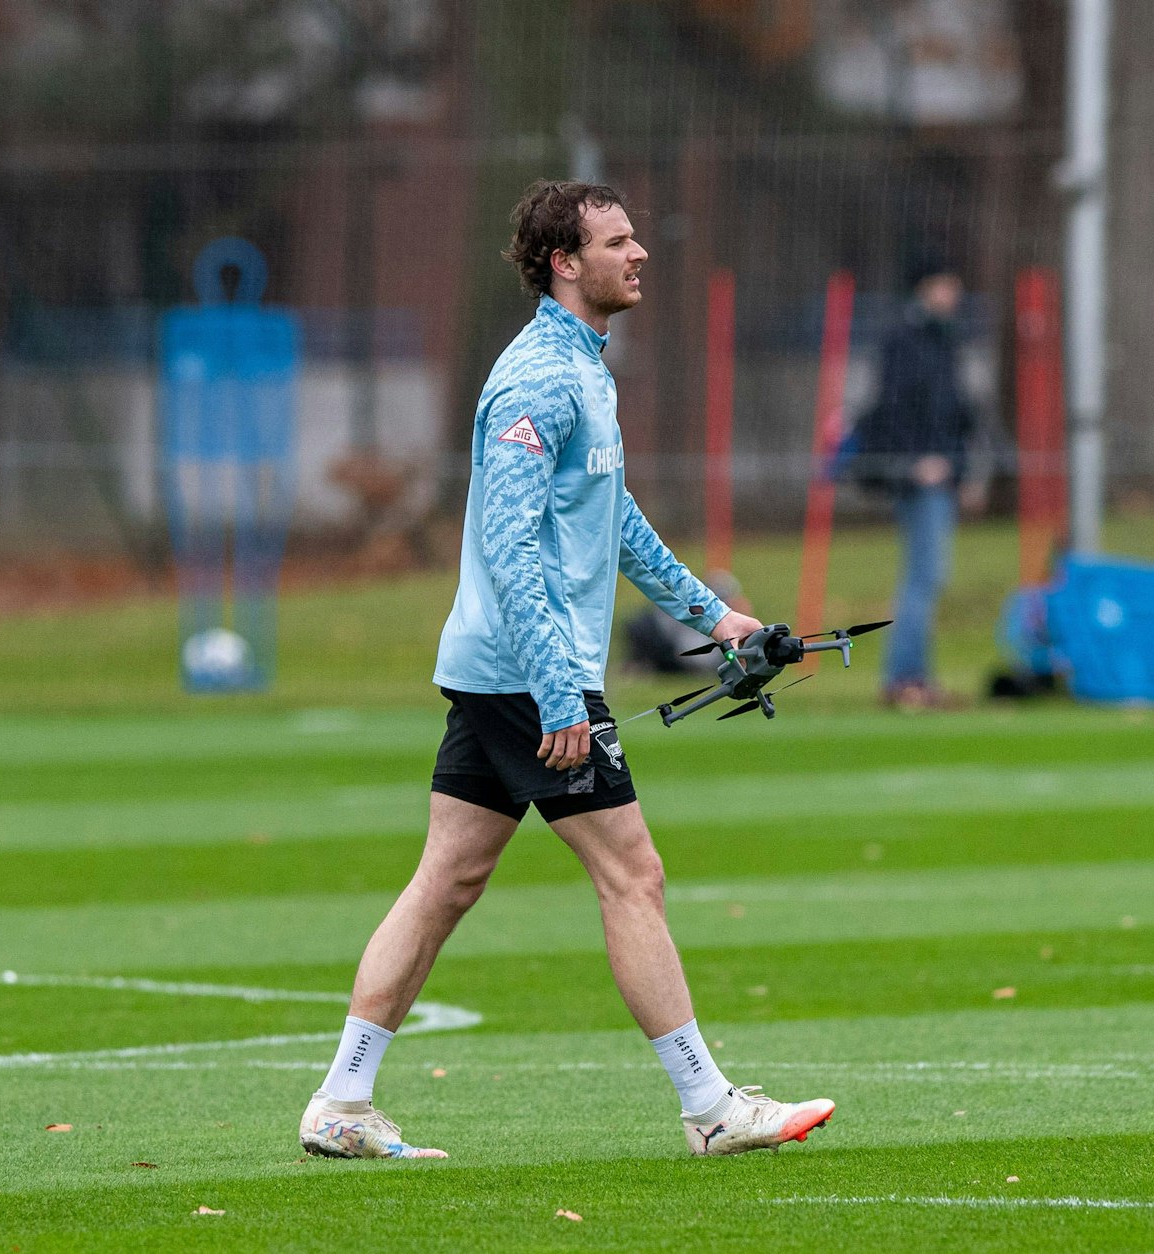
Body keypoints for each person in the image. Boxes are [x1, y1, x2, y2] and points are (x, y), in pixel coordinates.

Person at [298, 181, 835, 1160]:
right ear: (563, 263)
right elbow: (507, 549)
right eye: (616, 241)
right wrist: (558, 691)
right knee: (633, 874)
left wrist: (711, 615)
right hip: (523, 674)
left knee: (446, 880)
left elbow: (611, 519)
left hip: (502, 669)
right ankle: (710, 1108)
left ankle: (340, 1101)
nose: (639, 255)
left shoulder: (584, 368)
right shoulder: (537, 379)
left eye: (636, 238)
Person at [849, 254, 994, 710]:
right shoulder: (905, 341)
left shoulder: (945, 340)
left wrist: (965, 471)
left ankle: (912, 678)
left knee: (928, 578)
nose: (953, 294)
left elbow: (957, 415)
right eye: (944, 285)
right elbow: (892, 410)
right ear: (923, 288)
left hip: (944, 476)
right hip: (920, 479)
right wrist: (914, 462)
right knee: (922, 578)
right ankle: (905, 679)